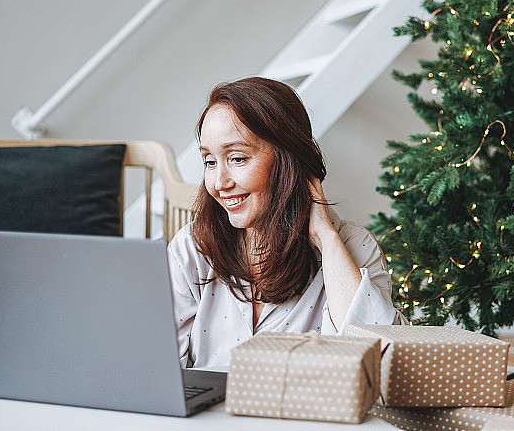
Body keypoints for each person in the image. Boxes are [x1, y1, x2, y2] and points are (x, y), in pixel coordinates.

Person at [167, 77, 402, 368]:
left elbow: (384, 364)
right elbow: (157, 371)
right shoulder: (191, 248)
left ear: (288, 161)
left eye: (238, 158)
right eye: (210, 161)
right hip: (206, 415)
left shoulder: (353, 245)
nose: (219, 183)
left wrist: (326, 239)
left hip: (303, 414)